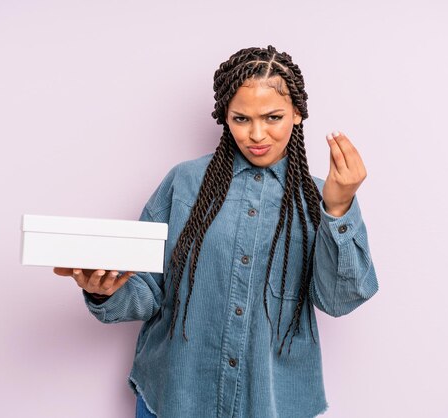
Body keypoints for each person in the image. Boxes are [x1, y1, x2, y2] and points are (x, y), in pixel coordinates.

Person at [54, 45, 379, 418]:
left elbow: (339, 300)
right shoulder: (184, 184)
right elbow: (146, 288)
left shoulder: (319, 197)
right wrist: (105, 291)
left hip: (272, 404)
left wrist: (338, 208)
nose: (257, 135)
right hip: (176, 397)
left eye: (273, 117)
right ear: (226, 116)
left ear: (298, 114)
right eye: (241, 119)